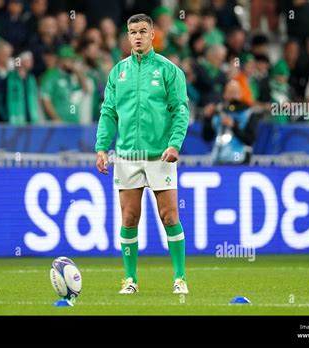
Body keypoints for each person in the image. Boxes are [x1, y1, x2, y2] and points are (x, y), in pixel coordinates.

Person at [95, 14, 189, 294]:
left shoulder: (169, 71)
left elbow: (180, 110)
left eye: (142, 31)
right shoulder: (117, 72)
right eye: (132, 32)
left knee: (169, 216)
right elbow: (108, 112)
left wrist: (175, 143)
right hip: (126, 157)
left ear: (152, 35)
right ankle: (130, 280)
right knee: (129, 217)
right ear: (127, 36)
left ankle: (180, 278)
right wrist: (102, 147)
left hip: (160, 155)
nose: (137, 36)